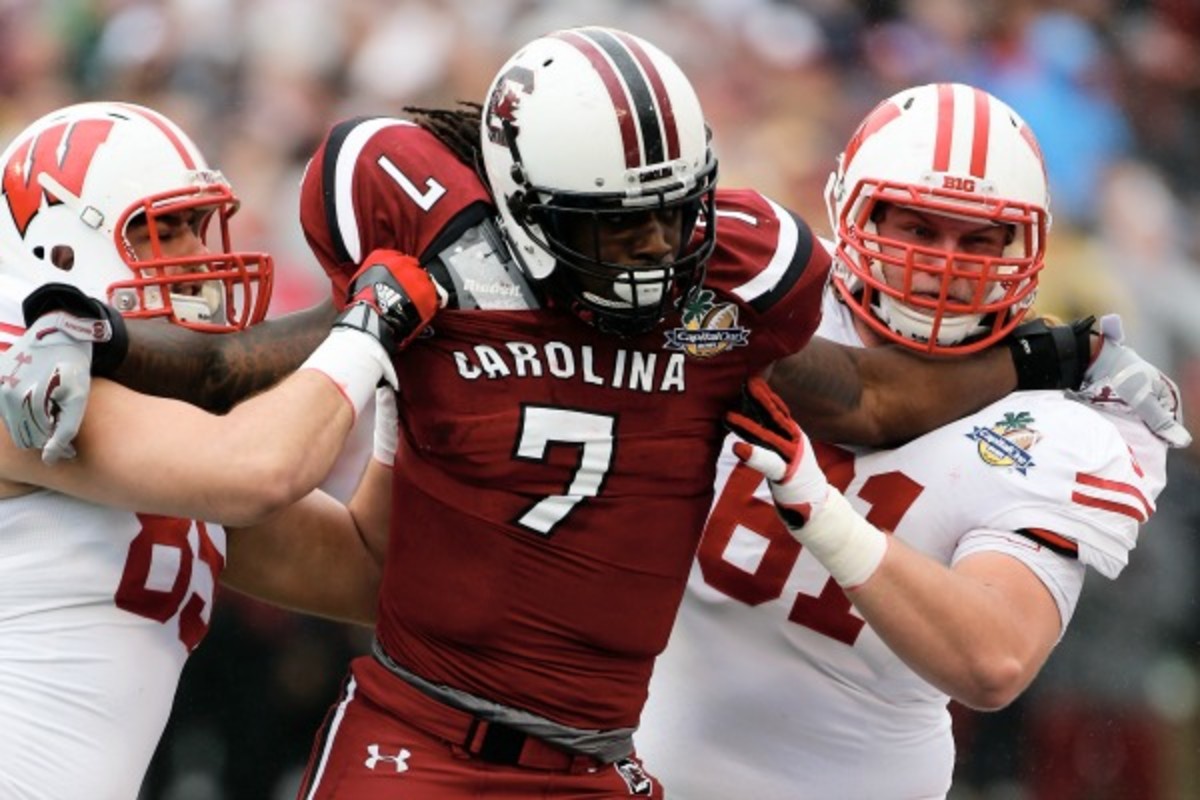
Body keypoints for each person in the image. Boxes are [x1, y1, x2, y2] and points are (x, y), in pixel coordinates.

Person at [0, 32, 1183, 798]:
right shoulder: (453, 273)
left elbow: (879, 406)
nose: (654, 251)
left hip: (619, 766)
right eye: (612, 223)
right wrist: (107, 331)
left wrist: (1056, 352)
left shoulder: (728, 309)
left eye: (673, 216)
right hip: (445, 744)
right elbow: (248, 403)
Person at [635, 83, 1176, 799]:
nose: (945, 263)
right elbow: (862, 395)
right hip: (629, 755)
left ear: (1030, 243)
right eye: (919, 228)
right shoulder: (774, 279)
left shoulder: (1065, 426)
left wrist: (826, 518)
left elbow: (993, 658)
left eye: (979, 238)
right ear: (850, 209)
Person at [0, 101, 435, 799]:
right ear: (59, 249)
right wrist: (366, 331)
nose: (201, 259)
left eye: (199, 227)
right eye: (166, 231)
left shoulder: (161, 419)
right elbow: (256, 471)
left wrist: (396, 387)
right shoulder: (26, 373)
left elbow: (368, 574)